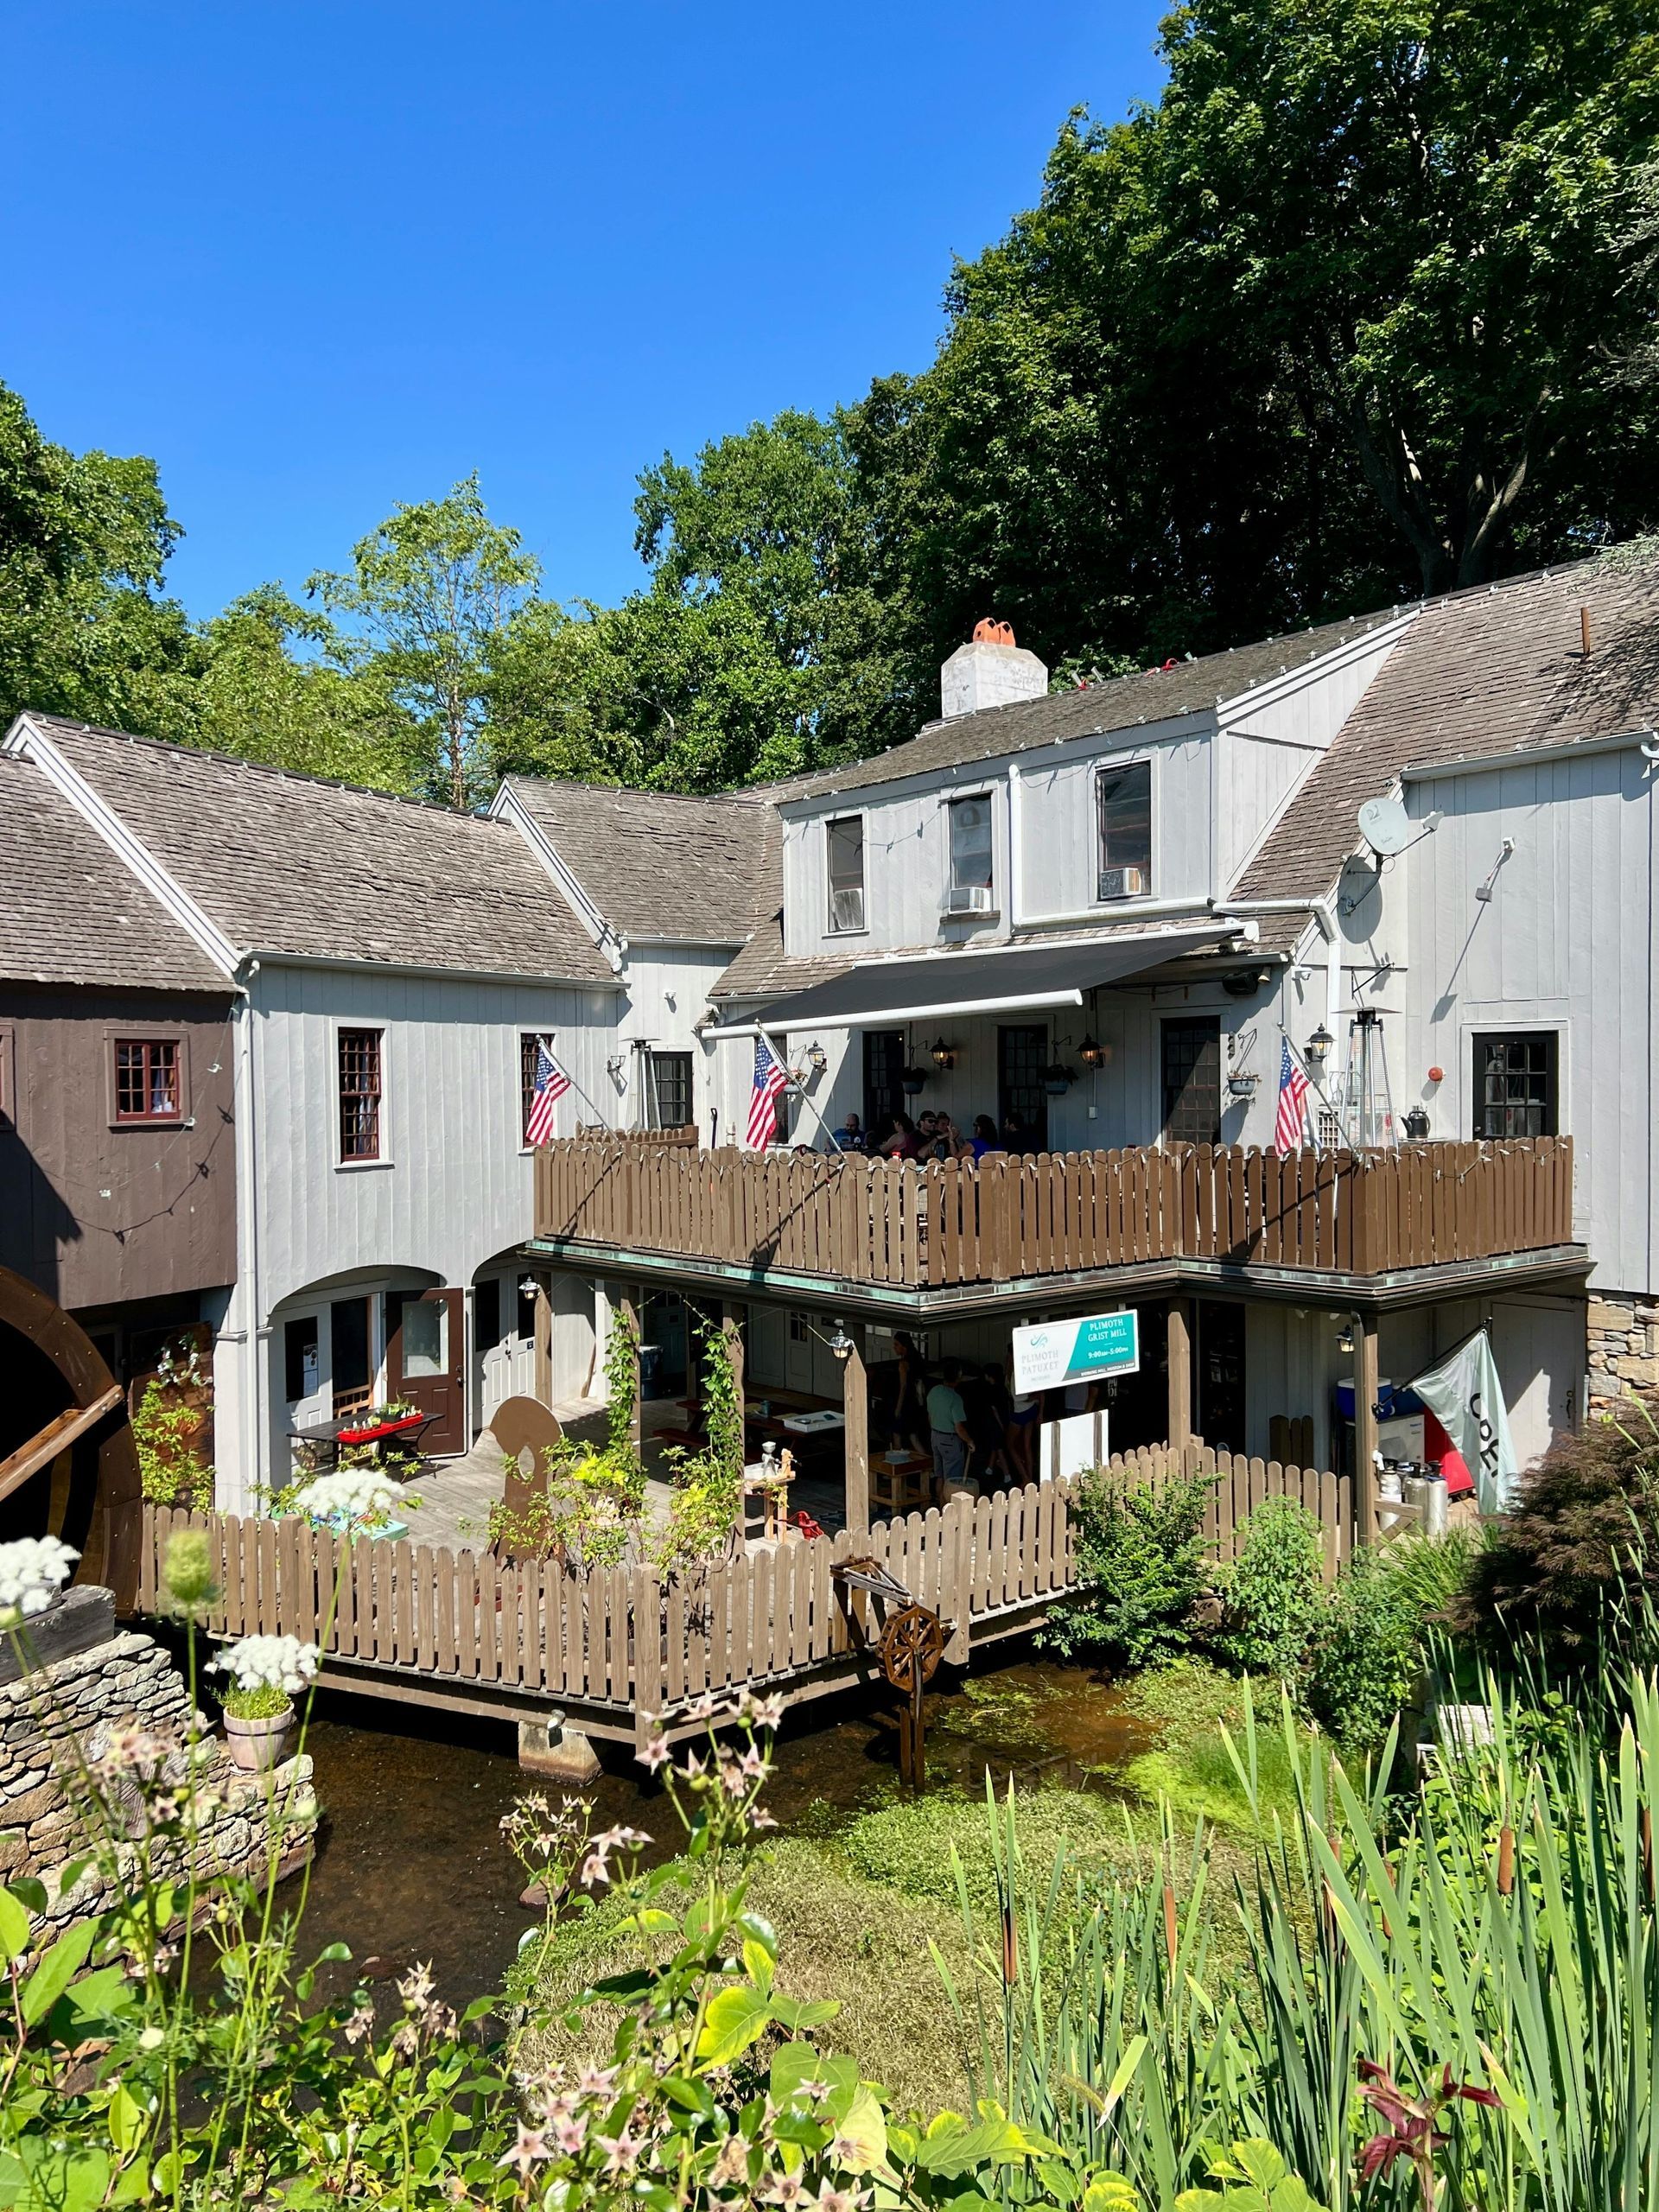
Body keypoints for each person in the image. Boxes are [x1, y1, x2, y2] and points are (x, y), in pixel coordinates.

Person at [925, 1357, 974, 1497]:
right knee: (951, 1480)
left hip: (935, 1436)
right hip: (950, 1440)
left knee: (939, 1475)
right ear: (958, 1378)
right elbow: (959, 1428)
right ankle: (946, 1509)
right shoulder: (955, 1399)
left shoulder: (934, 1391)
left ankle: (939, 1507)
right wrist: (969, 1441)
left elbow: (929, 1417)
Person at [963, 1361, 1012, 1485]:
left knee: (999, 1448)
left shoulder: (991, 1390)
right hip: (1003, 1420)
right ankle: (989, 1469)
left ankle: (1007, 1475)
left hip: (995, 1423)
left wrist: (1001, 1425)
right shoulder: (1003, 1389)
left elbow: (994, 1410)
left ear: (989, 1376)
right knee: (996, 1446)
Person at [889, 1330, 931, 1453]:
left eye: (897, 1344)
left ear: (903, 1345)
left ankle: (898, 1465)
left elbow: (903, 1386)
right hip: (917, 1402)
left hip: (907, 1403)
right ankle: (927, 1466)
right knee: (913, 1436)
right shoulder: (917, 1359)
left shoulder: (904, 1364)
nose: (894, 1347)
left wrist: (898, 1408)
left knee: (897, 1434)